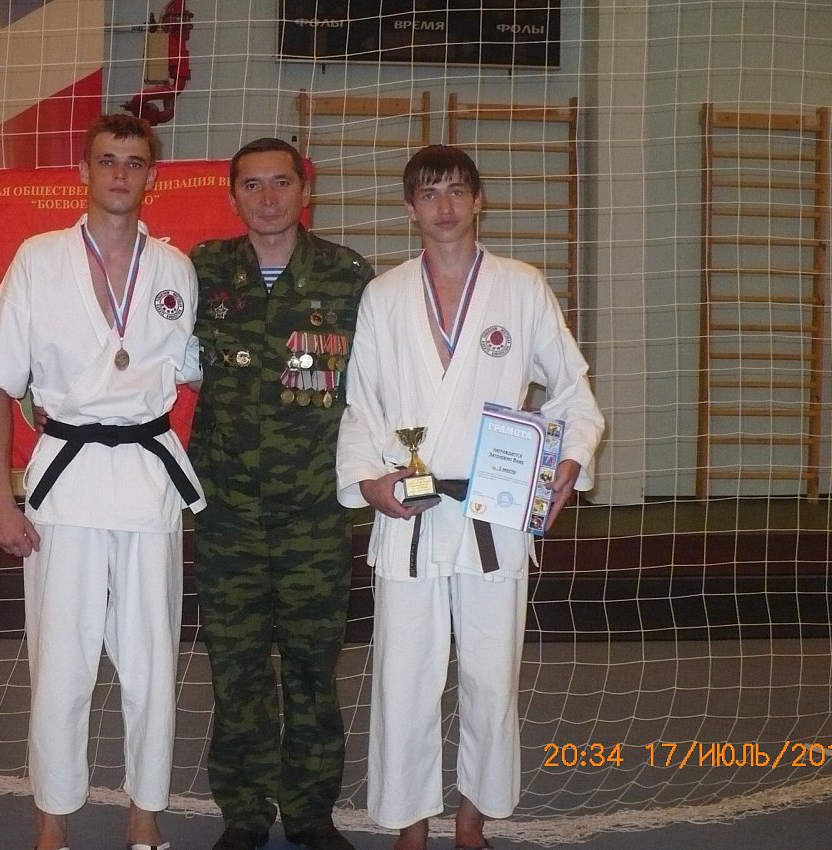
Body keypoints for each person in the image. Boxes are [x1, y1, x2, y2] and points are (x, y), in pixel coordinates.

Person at [335, 145, 605, 850]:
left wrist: (569, 462)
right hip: (412, 515)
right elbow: (361, 407)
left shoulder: (520, 286)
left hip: (495, 512)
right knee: (404, 678)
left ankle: (473, 818)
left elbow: (572, 393)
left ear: (479, 199)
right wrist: (370, 483)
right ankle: (409, 823)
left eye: (457, 191)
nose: (445, 207)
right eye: (429, 194)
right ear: (409, 208)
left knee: (490, 676)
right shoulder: (385, 295)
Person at [0, 113, 205, 850]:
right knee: (61, 662)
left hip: (148, 481)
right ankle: (52, 820)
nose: (120, 174)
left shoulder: (175, 269)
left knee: (152, 663)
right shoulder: (39, 259)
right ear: (84, 171)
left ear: (151, 175)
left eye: (134, 162)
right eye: (107, 161)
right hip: (64, 484)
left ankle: (146, 814)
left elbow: (196, 370)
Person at [187, 137, 374, 850]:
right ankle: (243, 813)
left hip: (313, 514)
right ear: (233, 196)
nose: (267, 198)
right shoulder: (201, 271)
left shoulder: (348, 277)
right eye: (252, 185)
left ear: (305, 189)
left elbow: (377, 384)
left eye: (281, 182)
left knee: (311, 671)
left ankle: (309, 812)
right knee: (235, 670)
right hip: (227, 513)